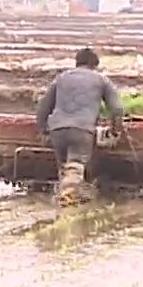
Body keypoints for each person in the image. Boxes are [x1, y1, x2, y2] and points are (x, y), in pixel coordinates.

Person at [36, 47, 125, 205]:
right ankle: (67, 198)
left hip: (57, 130)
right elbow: (117, 109)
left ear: (77, 63)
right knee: (75, 165)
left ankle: (68, 196)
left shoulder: (61, 78)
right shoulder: (101, 80)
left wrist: (42, 130)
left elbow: (43, 106)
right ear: (95, 65)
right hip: (82, 129)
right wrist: (115, 131)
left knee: (64, 167)